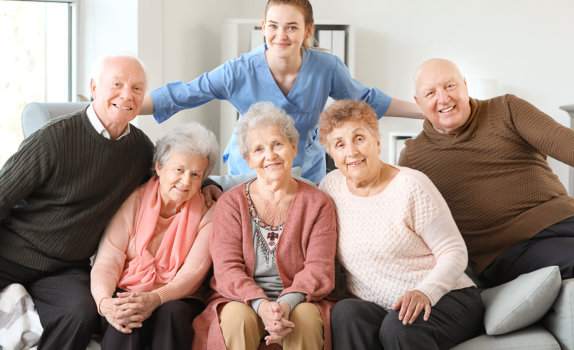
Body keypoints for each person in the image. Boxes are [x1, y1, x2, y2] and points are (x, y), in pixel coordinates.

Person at [140, 0, 422, 184]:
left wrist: (425, 112)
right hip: (250, 170)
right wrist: (123, 108)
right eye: (273, 26)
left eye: (291, 27)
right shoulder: (239, 71)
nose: (281, 35)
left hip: (305, 170)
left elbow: (368, 99)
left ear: (307, 30)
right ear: (263, 28)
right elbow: (185, 93)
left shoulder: (326, 67)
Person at [399, 58, 574, 286]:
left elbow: (554, 136)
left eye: (449, 86)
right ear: (418, 102)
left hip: (565, 218)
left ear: (465, 85)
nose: (443, 98)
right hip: (506, 250)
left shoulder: (505, 108)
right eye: (430, 93)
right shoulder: (413, 157)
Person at [0, 53, 154, 349]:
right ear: (94, 87)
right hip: (11, 252)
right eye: (117, 84)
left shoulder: (139, 150)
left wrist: (209, 187)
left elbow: (172, 172)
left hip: (65, 266)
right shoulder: (53, 139)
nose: (127, 95)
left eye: (137, 88)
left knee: (80, 315)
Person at [318, 100, 484, 350]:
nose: (351, 151)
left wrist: (425, 292)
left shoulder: (411, 186)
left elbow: (454, 251)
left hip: (446, 296)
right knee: (345, 313)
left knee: (400, 326)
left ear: (377, 142)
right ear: (332, 154)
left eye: (359, 138)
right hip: (384, 306)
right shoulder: (330, 187)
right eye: (340, 144)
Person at [192, 101, 337, 350]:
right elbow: (227, 269)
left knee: (304, 319)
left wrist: (285, 305)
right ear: (248, 160)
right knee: (237, 319)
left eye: (277, 144)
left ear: (293, 147)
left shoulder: (318, 203)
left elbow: (319, 269)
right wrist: (261, 305)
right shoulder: (230, 204)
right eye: (258, 149)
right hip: (241, 300)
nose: (270, 155)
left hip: (301, 300)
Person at [90, 122, 219, 349]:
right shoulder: (134, 201)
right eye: (179, 170)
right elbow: (108, 260)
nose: (186, 181)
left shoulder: (210, 212)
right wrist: (105, 303)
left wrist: (156, 298)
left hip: (180, 296)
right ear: (159, 167)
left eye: (196, 174)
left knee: (173, 314)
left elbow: (193, 273)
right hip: (128, 289)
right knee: (127, 316)